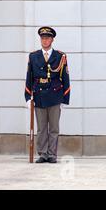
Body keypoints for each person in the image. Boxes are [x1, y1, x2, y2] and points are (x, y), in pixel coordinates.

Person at [24, 26, 70, 163]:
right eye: (43, 38)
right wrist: (28, 97)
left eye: (47, 38)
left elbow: (66, 79)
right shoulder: (33, 56)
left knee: (54, 128)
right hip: (39, 96)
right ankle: (43, 154)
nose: (45, 41)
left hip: (55, 96)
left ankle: (52, 155)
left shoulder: (60, 56)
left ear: (52, 40)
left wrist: (65, 99)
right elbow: (29, 77)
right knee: (42, 128)